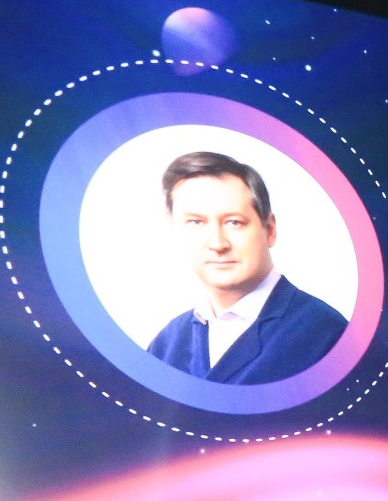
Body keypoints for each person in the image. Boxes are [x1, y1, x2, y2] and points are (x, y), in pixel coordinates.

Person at [146, 151, 349, 384]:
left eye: (234, 222)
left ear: (269, 230)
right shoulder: (165, 346)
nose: (217, 244)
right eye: (196, 222)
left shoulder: (328, 337)